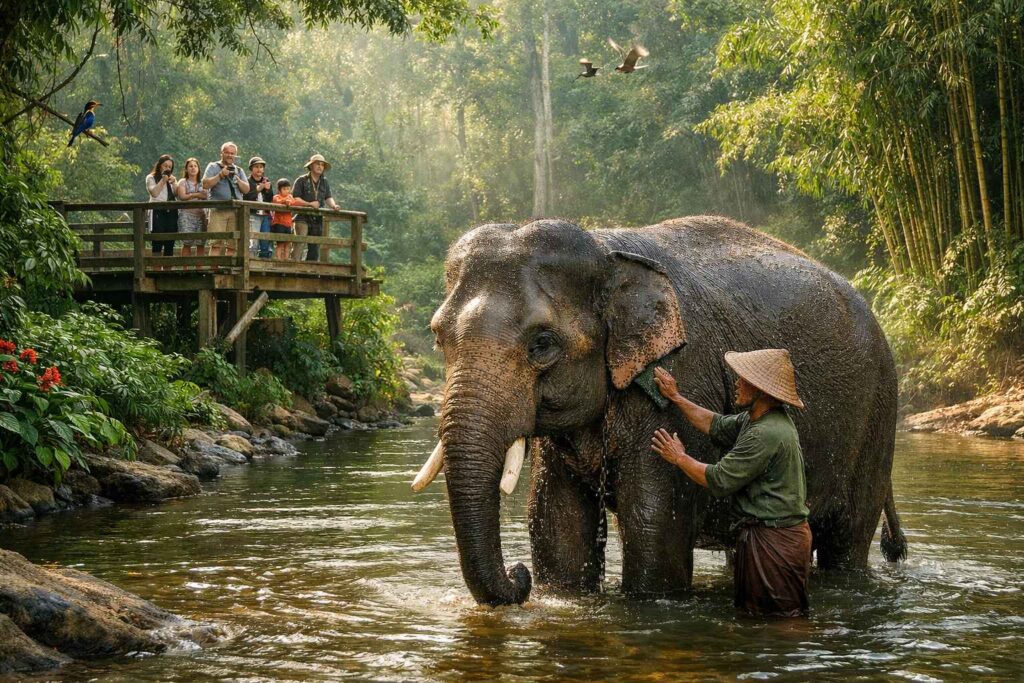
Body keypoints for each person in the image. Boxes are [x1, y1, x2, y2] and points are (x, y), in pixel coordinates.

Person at [650, 349, 812, 618]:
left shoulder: (765, 433)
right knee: (758, 618)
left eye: (743, 379)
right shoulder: (758, 419)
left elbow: (718, 479)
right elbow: (714, 424)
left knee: (782, 623)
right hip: (767, 536)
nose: (736, 383)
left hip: (777, 541)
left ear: (760, 389)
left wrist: (679, 458)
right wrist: (676, 397)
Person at [202, 141, 250, 257]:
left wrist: (238, 180)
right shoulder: (213, 166)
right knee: (215, 243)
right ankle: (214, 267)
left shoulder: (239, 170)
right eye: (227, 152)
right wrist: (220, 175)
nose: (230, 155)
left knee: (233, 244)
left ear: (235, 155)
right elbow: (205, 184)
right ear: (221, 153)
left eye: (232, 153)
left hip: (236, 211)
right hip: (218, 210)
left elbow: (246, 189)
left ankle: (228, 267)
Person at [291, 153, 342, 262]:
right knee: (299, 245)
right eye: (317, 164)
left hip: (317, 218)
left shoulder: (324, 182)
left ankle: (310, 269)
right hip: (302, 217)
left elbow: (328, 197)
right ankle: (293, 267)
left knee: (314, 249)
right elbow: (295, 199)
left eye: (322, 165)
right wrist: (309, 204)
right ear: (311, 166)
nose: (320, 166)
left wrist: (334, 206)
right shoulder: (301, 180)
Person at [270, 179, 314, 260]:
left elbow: (295, 202)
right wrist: (285, 201)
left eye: (288, 189)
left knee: (287, 244)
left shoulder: (290, 197)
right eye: (284, 189)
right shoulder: (276, 197)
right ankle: (279, 260)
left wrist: (308, 204)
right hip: (279, 223)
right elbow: (277, 202)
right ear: (279, 190)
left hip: (288, 224)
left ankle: (286, 260)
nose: (287, 191)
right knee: (280, 244)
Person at [146, 154, 178, 259]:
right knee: (157, 243)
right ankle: (156, 266)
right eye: (165, 166)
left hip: (171, 212)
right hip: (157, 212)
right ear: (160, 166)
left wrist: (175, 183)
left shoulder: (172, 179)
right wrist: (163, 180)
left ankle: (168, 267)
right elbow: (154, 193)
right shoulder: (151, 177)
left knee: (170, 243)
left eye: (170, 167)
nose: (167, 169)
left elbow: (178, 194)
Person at [176, 157, 209, 261]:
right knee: (187, 243)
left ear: (198, 168)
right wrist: (197, 194)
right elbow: (182, 196)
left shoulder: (203, 182)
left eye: (195, 166)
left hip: (201, 216)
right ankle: (185, 267)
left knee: (201, 244)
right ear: (186, 169)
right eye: (190, 166)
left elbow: (206, 196)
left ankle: (199, 267)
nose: (193, 168)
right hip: (186, 216)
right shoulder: (183, 182)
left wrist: (190, 195)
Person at [243, 156, 274, 259]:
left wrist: (268, 190)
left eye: (261, 167)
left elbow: (270, 200)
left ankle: (264, 264)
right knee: (253, 242)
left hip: (265, 215)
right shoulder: (247, 181)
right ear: (251, 169)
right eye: (256, 167)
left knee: (265, 242)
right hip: (252, 214)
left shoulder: (266, 181)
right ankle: (250, 263)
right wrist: (258, 189)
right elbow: (245, 197)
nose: (259, 169)